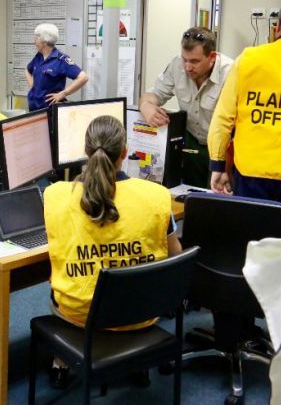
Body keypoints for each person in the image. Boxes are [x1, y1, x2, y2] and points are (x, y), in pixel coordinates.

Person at [43, 115, 182, 387]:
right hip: (142, 311)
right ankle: (136, 358)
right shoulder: (157, 196)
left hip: (79, 313)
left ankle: (61, 362)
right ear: (125, 152)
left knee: (54, 287)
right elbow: (175, 255)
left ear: (85, 152)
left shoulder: (56, 195)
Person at [208, 0, 281, 239]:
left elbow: (222, 118)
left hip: (252, 175)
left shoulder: (248, 60)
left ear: (277, 26)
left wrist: (217, 165)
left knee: (250, 245)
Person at [139, 26, 233, 187]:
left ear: (212, 57)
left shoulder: (231, 72)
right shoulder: (177, 65)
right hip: (192, 144)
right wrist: (146, 106)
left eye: (195, 61)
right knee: (190, 195)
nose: (188, 67)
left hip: (223, 147)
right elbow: (153, 94)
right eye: (185, 59)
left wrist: (228, 166)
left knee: (218, 198)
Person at [25, 23, 88, 112]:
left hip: (50, 111)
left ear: (44, 41)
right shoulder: (38, 57)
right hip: (34, 109)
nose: (34, 41)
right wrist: (32, 85)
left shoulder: (61, 60)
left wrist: (63, 94)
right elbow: (27, 70)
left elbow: (83, 77)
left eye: (37, 38)